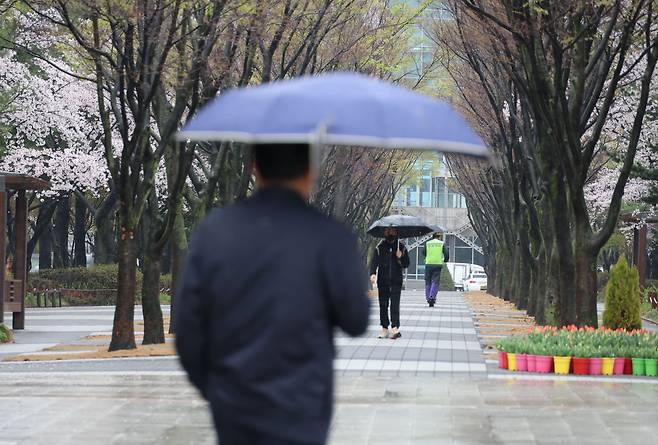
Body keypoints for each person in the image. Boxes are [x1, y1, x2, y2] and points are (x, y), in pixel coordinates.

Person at [175, 143, 370, 445]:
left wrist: (215, 388)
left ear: (254, 166)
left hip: (233, 401)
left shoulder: (215, 231)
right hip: (304, 400)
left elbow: (188, 330)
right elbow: (356, 320)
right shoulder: (331, 236)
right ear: (310, 171)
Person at [369, 227, 410, 339]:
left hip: (396, 280)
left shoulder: (401, 247)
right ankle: (384, 328)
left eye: (391, 230)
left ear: (396, 232)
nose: (389, 232)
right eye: (387, 230)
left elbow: (406, 264)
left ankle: (395, 327)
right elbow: (374, 262)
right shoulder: (379, 247)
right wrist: (372, 273)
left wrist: (401, 257)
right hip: (383, 280)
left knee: (395, 305)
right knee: (383, 305)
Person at [423, 232, 449, 307]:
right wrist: (445, 260)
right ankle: (432, 297)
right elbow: (446, 253)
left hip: (428, 264)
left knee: (428, 282)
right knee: (435, 281)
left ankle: (428, 298)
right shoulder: (442, 243)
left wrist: (427, 257)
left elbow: (423, 252)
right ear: (439, 237)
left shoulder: (427, 243)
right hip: (438, 264)